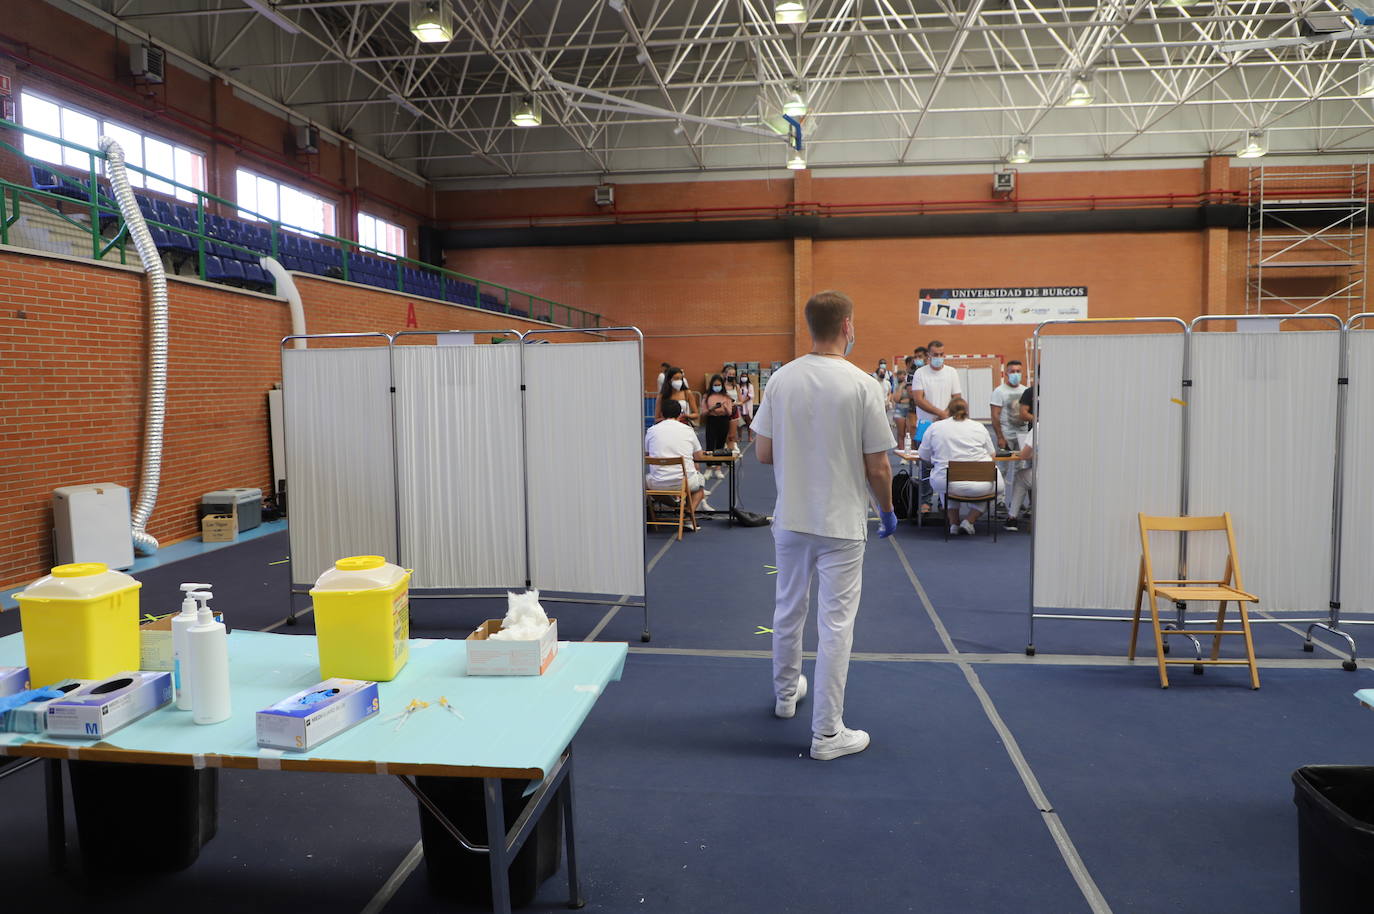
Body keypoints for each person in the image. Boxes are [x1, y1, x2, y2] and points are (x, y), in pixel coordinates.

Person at [752, 290, 897, 762]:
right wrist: (889, 511)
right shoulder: (863, 385)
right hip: (840, 522)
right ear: (848, 326)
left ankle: (784, 693)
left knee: (788, 606)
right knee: (836, 625)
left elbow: (763, 453)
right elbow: (878, 466)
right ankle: (828, 733)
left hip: (791, 517)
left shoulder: (781, 380)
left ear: (809, 326)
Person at [918, 396, 997, 536]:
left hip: (947, 481)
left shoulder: (935, 427)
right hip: (980, 483)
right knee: (992, 485)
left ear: (947, 410)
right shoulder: (979, 427)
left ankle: (953, 524)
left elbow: (923, 455)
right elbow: (992, 455)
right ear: (967, 411)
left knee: (944, 481)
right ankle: (969, 521)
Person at [909, 340, 961, 512]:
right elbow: (918, 399)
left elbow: (956, 397)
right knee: (926, 463)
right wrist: (940, 413)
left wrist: (945, 414)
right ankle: (925, 501)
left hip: (947, 425)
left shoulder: (952, 372)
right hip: (925, 424)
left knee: (947, 463)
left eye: (941, 354)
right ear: (928, 356)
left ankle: (943, 501)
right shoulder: (920, 373)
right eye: (935, 355)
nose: (939, 358)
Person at [645, 398, 714, 516]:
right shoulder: (688, 430)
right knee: (700, 485)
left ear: (661, 413)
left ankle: (674, 507)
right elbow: (699, 456)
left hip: (658, 482)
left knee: (647, 484)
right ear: (680, 414)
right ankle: (687, 512)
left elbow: (647, 455)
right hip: (684, 482)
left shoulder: (651, 431)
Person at [989, 360, 1031, 528]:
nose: (1015, 374)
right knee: (1002, 469)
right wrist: (999, 436)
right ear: (1006, 373)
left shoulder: (1025, 391)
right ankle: (999, 501)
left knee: (1022, 468)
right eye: (1012, 371)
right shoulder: (999, 391)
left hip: (1023, 435)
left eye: (1018, 371)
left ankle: (1018, 501)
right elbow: (994, 415)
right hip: (1006, 435)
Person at [702, 373, 734, 478]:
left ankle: (718, 469)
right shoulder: (707, 397)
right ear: (711, 385)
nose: (717, 387)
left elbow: (730, 412)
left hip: (723, 420)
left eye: (719, 384)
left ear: (722, 385)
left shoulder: (726, 397)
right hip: (711, 420)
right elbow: (703, 412)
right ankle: (708, 468)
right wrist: (712, 409)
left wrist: (724, 407)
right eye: (715, 385)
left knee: (720, 445)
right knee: (710, 444)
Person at [889, 369, 916, 449]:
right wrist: (901, 386)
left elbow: (913, 398)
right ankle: (901, 453)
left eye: (904, 374)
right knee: (901, 434)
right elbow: (896, 399)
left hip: (909, 410)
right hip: (899, 411)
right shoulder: (897, 386)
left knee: (909, 433)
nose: (902, 376)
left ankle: (910, 451)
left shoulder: (911, 386)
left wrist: (904, 400)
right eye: (900, 374)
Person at [737, 371, 756, 442]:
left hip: (747, 406)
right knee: (740, 423)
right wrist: (740, 403)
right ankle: (739, 437)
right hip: (739, 406)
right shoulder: (738, 386)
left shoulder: (750, 386)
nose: (743, 378)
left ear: (747, 377)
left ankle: (750, 437)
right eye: (742, 376)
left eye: (745, 376)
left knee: (749, 422)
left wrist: (742, 402)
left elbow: (750, 396)